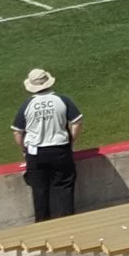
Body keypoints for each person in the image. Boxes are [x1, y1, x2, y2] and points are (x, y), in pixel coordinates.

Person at [12, 68, 82, 222]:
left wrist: (24, 149)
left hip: (35, 153)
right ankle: (67, 224)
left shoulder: (27, 105)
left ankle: (43, 226)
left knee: (39, 190)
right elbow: (76, 122)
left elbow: (17, 132)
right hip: (60, 149)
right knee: (64, 187)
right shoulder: (62, 100)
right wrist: (71, 141)